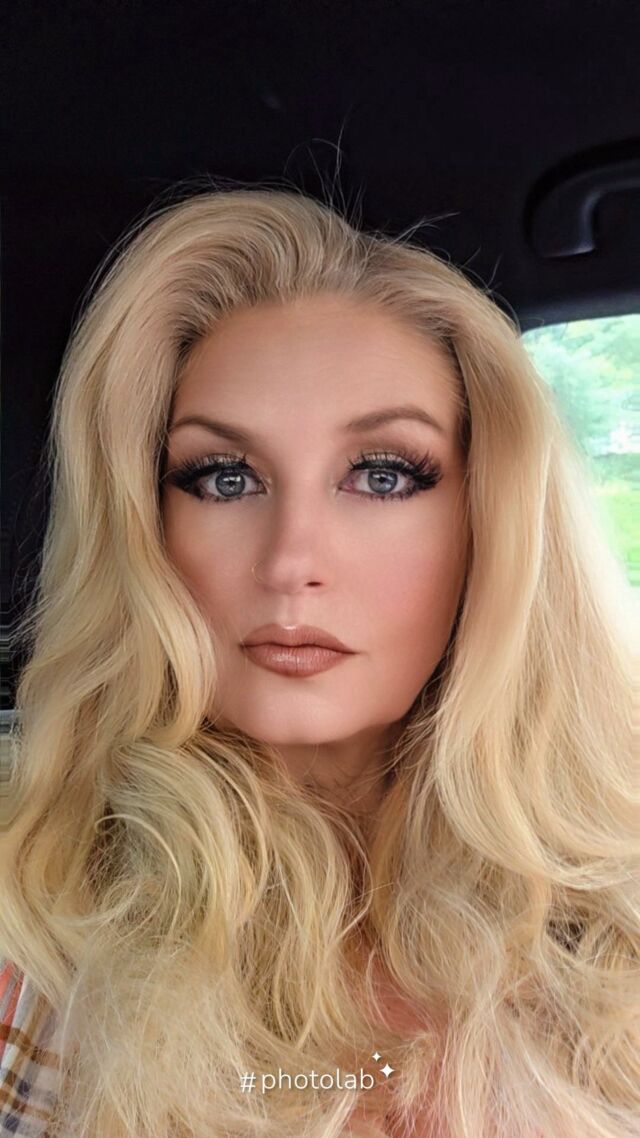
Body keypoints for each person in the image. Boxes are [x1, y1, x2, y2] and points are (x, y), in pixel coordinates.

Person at [0, 184, 637, 1138]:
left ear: (490, 518)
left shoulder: (616, 896)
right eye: (224, 478)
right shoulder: (37, 918)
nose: (291, 560)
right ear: (144, 524)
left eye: (382, 475)